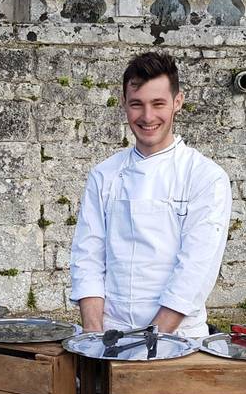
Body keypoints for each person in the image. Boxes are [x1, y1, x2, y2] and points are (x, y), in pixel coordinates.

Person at [69, 52, 232, 339]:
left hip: (180, 339)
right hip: (111, 335)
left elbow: (195, 270)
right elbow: (88, 259)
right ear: (124, 104)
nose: (147, 117)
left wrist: (151, 340)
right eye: (136, 104)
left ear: (177, 102)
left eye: (158, 104)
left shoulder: (206, 177)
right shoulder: (104, 175)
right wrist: (93, 337)